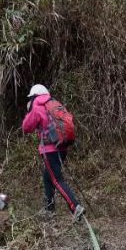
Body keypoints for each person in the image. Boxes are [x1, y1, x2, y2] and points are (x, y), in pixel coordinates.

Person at [22, 84, 85, 221]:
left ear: (34, 97)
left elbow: (26, 127)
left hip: (50, 150)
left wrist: (29, 111)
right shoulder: (54, 103)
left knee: (56, 179)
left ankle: (76, 207)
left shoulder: (37, 107)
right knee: (47, 176)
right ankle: (49, 209)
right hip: (62, 147)